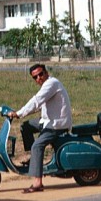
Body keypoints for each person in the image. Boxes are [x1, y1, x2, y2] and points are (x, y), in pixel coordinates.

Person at [8, 64, 72, 193]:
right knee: (26, 126)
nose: (39, 78)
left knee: (37, 146)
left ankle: (38, 183)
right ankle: (34, 159)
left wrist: (19, 113)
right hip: (48, 121)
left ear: (46, 72)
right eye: (35, 77)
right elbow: (38, 106)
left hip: (57, 125)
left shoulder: (51, 83)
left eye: (41, 74)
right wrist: (20, 113)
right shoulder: (47, 86)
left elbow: (36, 100)